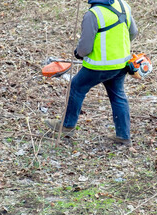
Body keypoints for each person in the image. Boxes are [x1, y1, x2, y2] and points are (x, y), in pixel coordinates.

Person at [44, 0, 138, 146]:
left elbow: (85, 48)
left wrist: (78, 53)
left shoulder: (92, 14)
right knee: (118, 96)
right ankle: (124, 136)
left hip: (99, 67)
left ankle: (67, 126)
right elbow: (133, 33)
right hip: (121, 64)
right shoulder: (123, 5)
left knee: (76, 87)